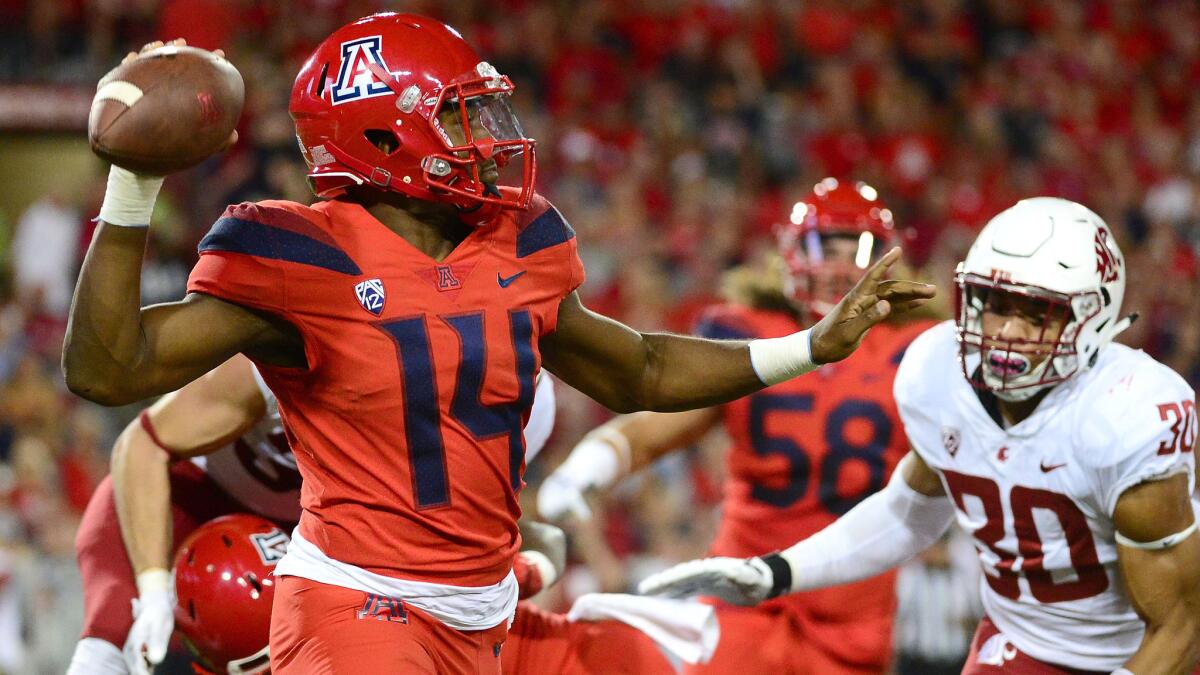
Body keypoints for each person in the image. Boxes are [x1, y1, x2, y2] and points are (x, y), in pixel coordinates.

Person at [62, 15, 933, 673]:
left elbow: (641, 368)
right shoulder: (299, 252)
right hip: (358, 608)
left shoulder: (521, 240)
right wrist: (133, 188)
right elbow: (108, 369)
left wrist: (811, 346)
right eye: (464, 118)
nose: (491, 139)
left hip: (485, 610)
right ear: (381, 136)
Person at [641, 197, 1200, 674]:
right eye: (994, 305)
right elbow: (908, 513)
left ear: (1091, 317)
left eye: (1035, 314)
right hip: (1022, 644)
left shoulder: (1129, 415)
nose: (1006, 332)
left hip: (1136, 652)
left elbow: (1179, 626)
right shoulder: (939, 372)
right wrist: (775, 571)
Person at [538, 178, 936, 674]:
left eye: (852, 248)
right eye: (822, 246)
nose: (836, 265)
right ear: (789, 254)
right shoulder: (752, 334)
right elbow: (656, 428)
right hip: (743, 592)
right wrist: (590, 465)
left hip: (852, 608)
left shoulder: (918, 349)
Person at [67, 352, 555, 675]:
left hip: (316, 537)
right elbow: (144, 445)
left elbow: (449, 544)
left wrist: (529, 569)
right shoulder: (305, 344)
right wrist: (151, 586)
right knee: (106, 650)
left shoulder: (522, 411)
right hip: (191, 502)